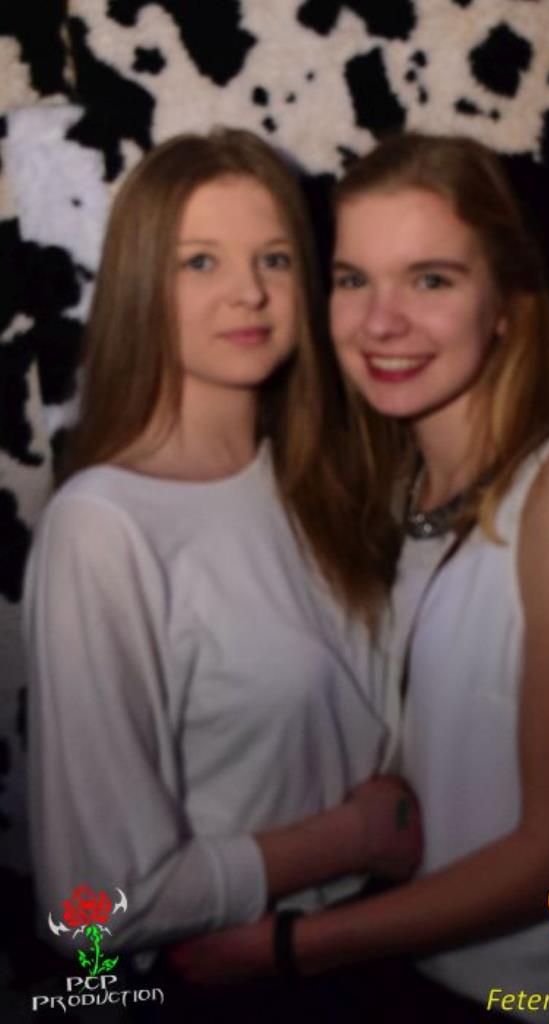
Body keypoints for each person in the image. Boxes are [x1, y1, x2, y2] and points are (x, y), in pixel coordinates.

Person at [170, 134, 549, 1020]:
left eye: (430, 280)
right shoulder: (395, 488)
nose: (379, 322)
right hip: (411, 972)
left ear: (506, 304)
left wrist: (285, 947)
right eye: (353, 279)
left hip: (543, 1001)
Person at [23, 129, 422, 964]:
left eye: (274, 260)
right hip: (243, 981)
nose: (249, 293)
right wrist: (352, 839)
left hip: (389, 947)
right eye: (200, 262)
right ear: (141, 286)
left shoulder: (327, 484)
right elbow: (91, 909)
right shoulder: (103, 528)